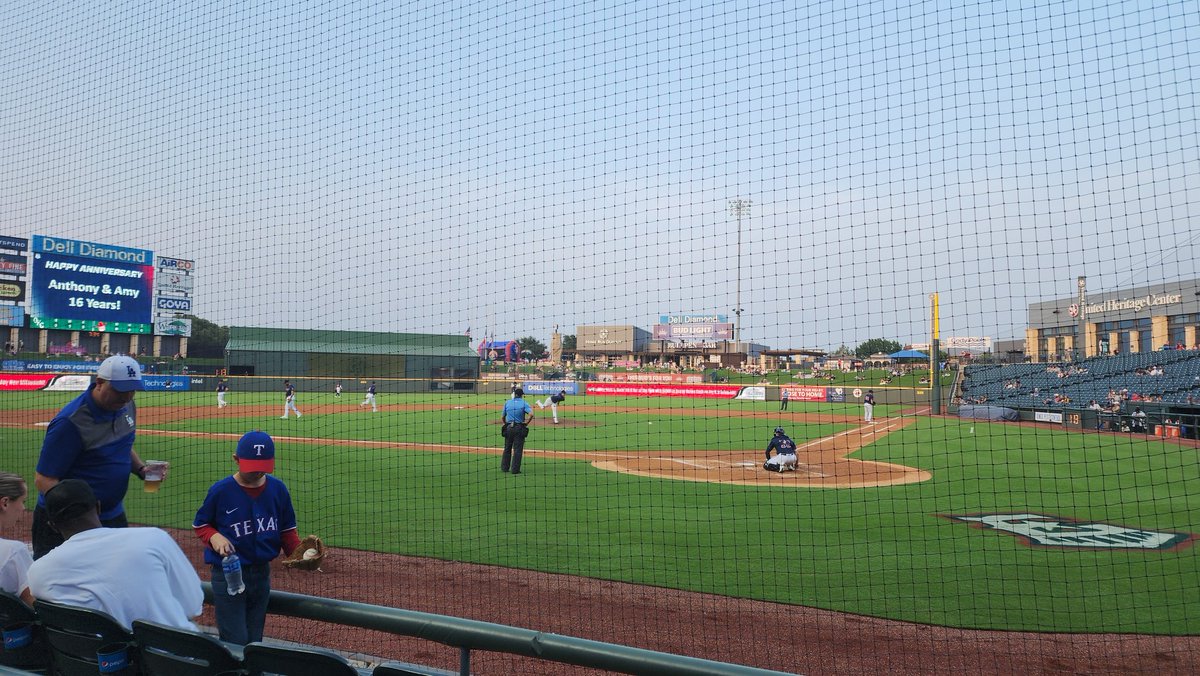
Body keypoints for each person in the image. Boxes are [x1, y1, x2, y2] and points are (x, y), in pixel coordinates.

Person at [27, 480, 203, 630]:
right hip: (176, 661)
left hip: (98, 663)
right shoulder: (153, 538)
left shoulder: (38, 572)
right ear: (98, 507)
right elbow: (193, 606)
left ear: (52, 525)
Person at [32, 355, 161, 559]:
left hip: (112, 514)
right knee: (60, 583)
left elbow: (122, 445)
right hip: (71, 524)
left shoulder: (126, 405)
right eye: (120, 390)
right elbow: (44, 479)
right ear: (99, 382)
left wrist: (140, 469)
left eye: (132, 390)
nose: (127, 396)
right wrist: (78, 517)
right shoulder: (70, 422)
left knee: (116, 575)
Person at [193, 431, 301, 645]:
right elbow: (201, 524)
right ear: (236, 459)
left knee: (254, 639)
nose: (257, 472)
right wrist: (214, 537)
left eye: (263, 467)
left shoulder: (278, 489)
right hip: (228, 575)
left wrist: (300, 554)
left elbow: (287, 531)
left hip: (261, 574)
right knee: (235, 640)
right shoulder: (221, 490)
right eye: (252, 467)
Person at [0, 473, 33, 604]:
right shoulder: (14, 551)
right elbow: (33, 603)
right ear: (5, 503)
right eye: (22, 501)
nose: (24, 508)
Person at [500, 388, 534, 474]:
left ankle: (505, 468)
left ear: (514, 394)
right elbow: (531, 414)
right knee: (517, 450)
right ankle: (515, 470)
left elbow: (503, 417)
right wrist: (526, 423)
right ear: (522, 395)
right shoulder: (524, 403)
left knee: (507, 448)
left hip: (508, 428)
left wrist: (505, 424)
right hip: (519, 428)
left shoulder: (507, 402)